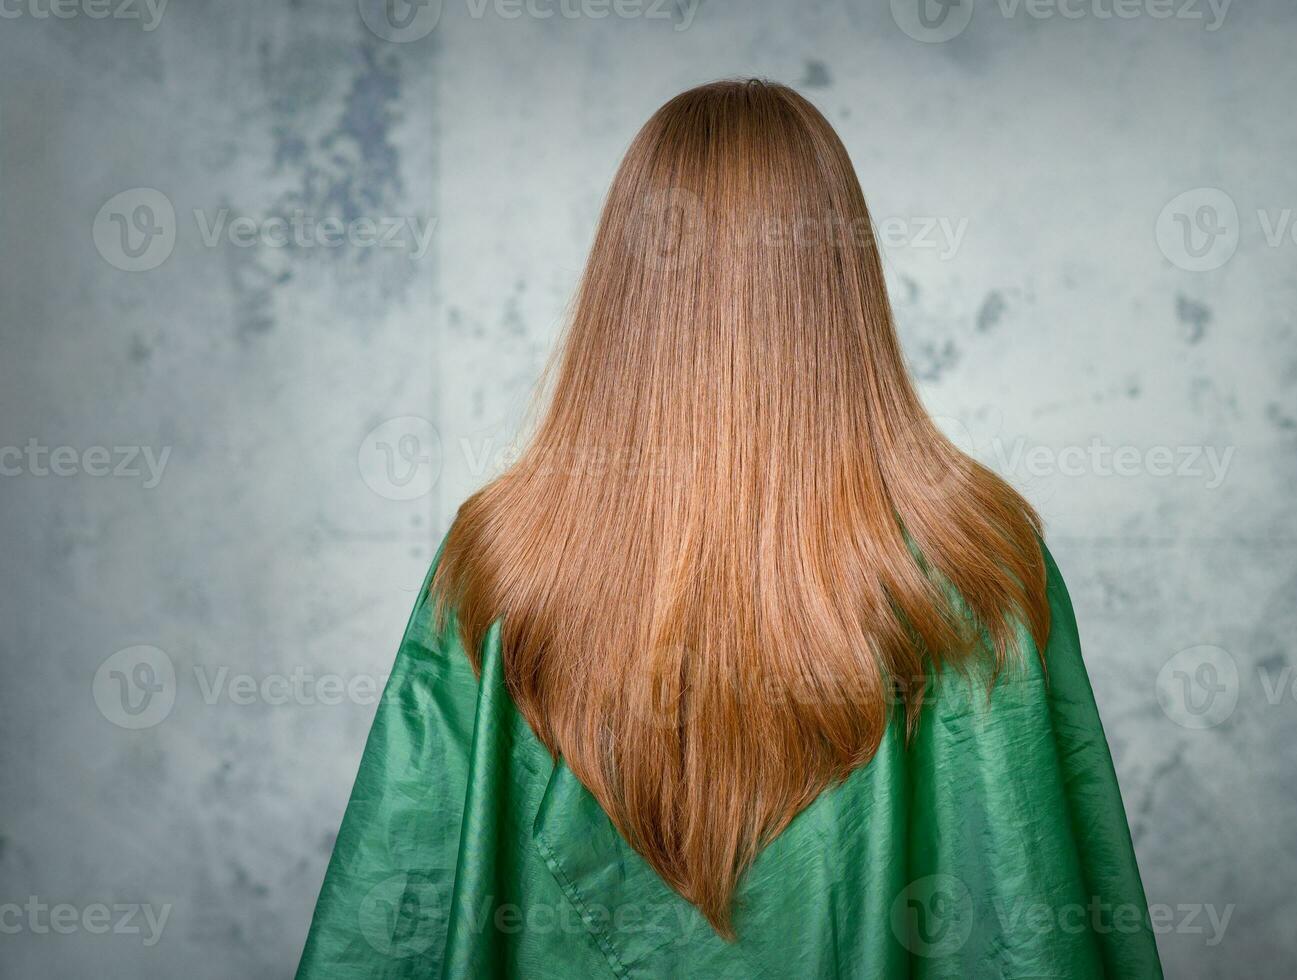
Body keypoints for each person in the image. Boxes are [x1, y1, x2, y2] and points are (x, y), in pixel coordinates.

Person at [297, 78, 1162, 979]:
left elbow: (396, 905)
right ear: (843, 273)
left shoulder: (500, 559)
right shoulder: (975, 561)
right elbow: (1039, 916)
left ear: (623, 283)